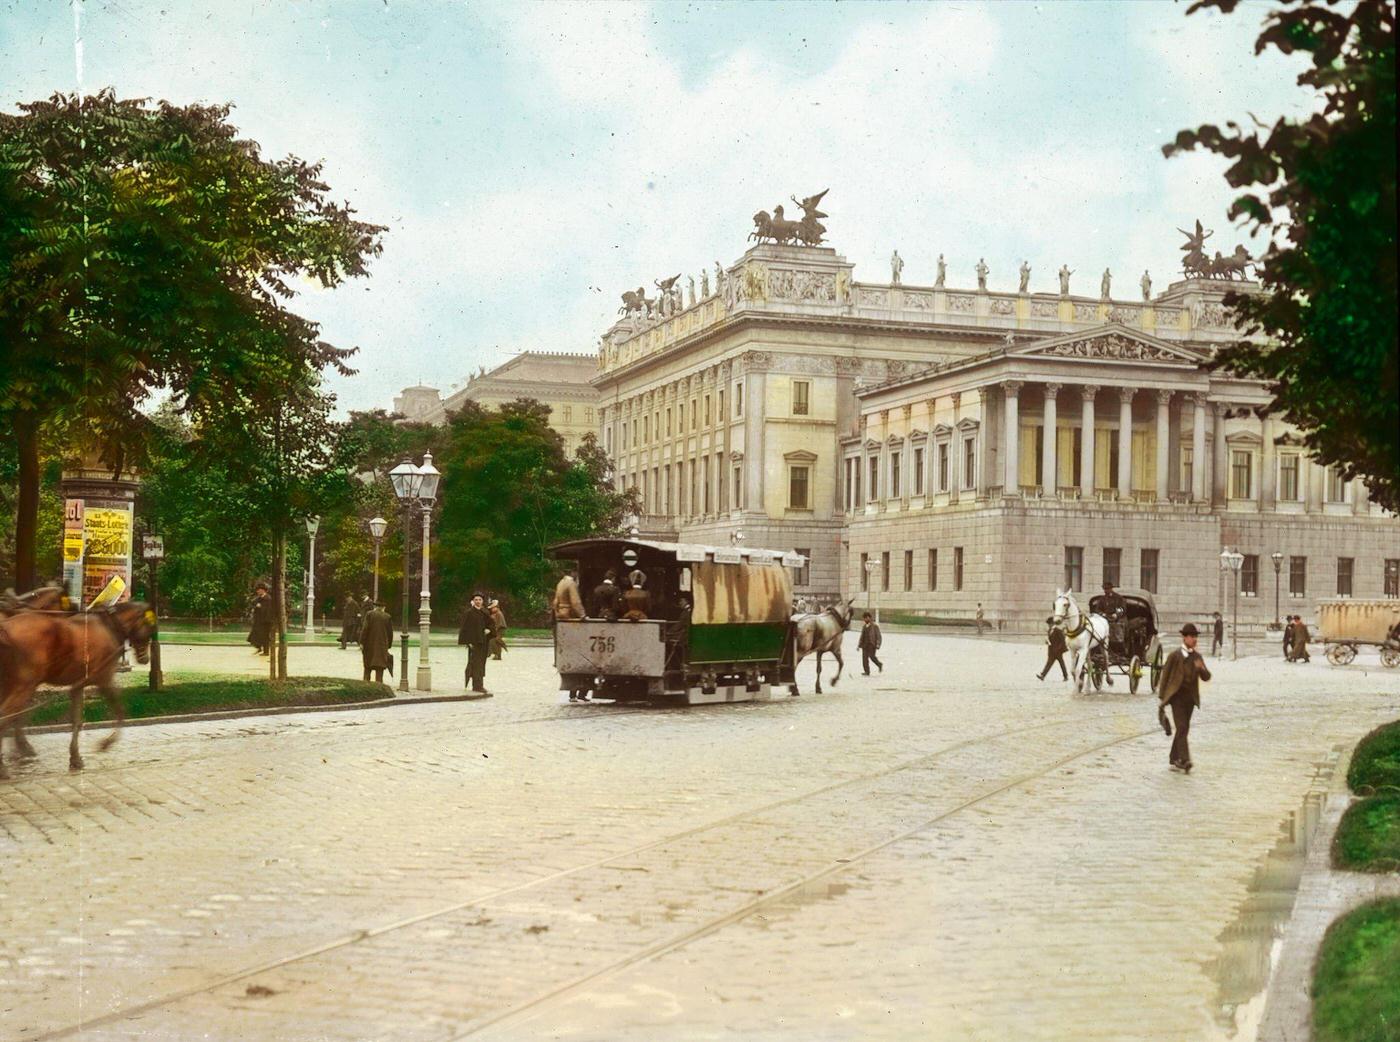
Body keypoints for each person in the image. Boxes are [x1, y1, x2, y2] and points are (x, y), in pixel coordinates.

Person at [1156, 622, 1212, 773]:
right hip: (1177, 698)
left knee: (1183, 728)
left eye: (1195, 637)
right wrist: (1162, 697)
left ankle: (1174, 757)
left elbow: (1207, 677)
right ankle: (1185, 759)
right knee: (1181, 728)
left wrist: (1201, 668)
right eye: (1192, 636)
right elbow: (1165, 676)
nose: (1194, 639)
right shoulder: (1175, 656)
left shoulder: (1197, 657)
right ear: (1184, 638)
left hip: (1190, 699)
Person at [457, 593, 495, 695]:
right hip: (474, 643)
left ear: (482, 601)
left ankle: (480, 684)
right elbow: (464, 628)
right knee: (475, 664)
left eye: (480, 599)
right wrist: (468, 642)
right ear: (473, 601)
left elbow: (491, 624)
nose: (478, 601)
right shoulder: (469, 613)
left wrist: (489, 630)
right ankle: (477, 686)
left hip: (483, 642)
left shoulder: (485, 612)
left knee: (481, 663)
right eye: (476, 600)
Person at [359, 599, 394, 684]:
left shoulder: (369, 614)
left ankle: (366, 685)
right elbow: (390, 633)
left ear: (375, 606)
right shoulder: (387, 617)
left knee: (367, 668)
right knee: (379, 670)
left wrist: (362, 642)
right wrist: (388, 645)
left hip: (369, 645)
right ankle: (379, 686)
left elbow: (365, 629)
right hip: (382, 646)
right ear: (383, 607)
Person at [1037, 616, 1069, 681]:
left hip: (1058, 651)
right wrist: (1047, 641)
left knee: (1061, 664)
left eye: (1049, 624)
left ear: (1052, 624)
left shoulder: (1058, 631)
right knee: (1050, 663)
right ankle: (1043, 675)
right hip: (1051, 651)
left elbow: (1062, 641)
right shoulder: (1049, 630)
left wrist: (1059, 649)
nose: (1048, 625)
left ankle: (1065, 676)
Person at [247, 582, 272, 656]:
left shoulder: (268, 598)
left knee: (265, 636)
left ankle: (266, 652)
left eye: (259, 590)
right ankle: (259, 647)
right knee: (255, 634)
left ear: (263, 590)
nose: (257, 591)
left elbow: (268, 610)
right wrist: (256, 605)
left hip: (265, 621)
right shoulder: (259, 598)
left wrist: (260, 606)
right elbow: (253, 603)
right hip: (258, 621)